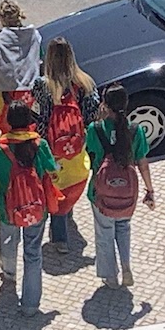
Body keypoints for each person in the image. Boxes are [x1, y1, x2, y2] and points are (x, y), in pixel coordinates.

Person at [0, 100, 57, 316]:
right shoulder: (41, 144)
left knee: (8, 239)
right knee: (33, 252)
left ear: (8, 121)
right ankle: (30, 304)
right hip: (37, 207)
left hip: (8, 207)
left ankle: (9, 273)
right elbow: (53, 171)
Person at [32, 37, 100, 254]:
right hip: (78, 151)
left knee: (55, 192)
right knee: (71, 188)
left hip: (53, 152)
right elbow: (92, 117)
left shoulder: (43, 86)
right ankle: (67, 215)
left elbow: (38, 119)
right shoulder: (86, 83)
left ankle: (60, 239)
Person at [86, 84, 155, 290]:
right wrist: (149, 191)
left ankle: (110, 277)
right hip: (127, 191)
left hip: (101, 192)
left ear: (105, 105)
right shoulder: (136, 130)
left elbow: (90, 154)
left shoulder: (95, 129)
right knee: (123, 228)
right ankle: (126, 265)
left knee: (104, 233)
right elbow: (142, 163)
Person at [0, 0, 41, 134]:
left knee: (8, 128)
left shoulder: (2, 38)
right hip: (29, 91)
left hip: (8, 94)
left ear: (0, 19)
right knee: (28, 125)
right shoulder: (34, 34)